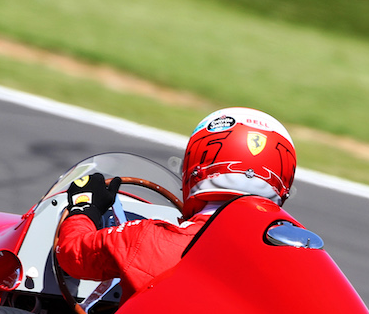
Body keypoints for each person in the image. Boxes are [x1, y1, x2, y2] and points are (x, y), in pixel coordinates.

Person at [55, 107, 297, 297]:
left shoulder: (146, 239)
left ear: (196, 166)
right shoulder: (295, 260)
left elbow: (72, 256)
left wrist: (83, 208)